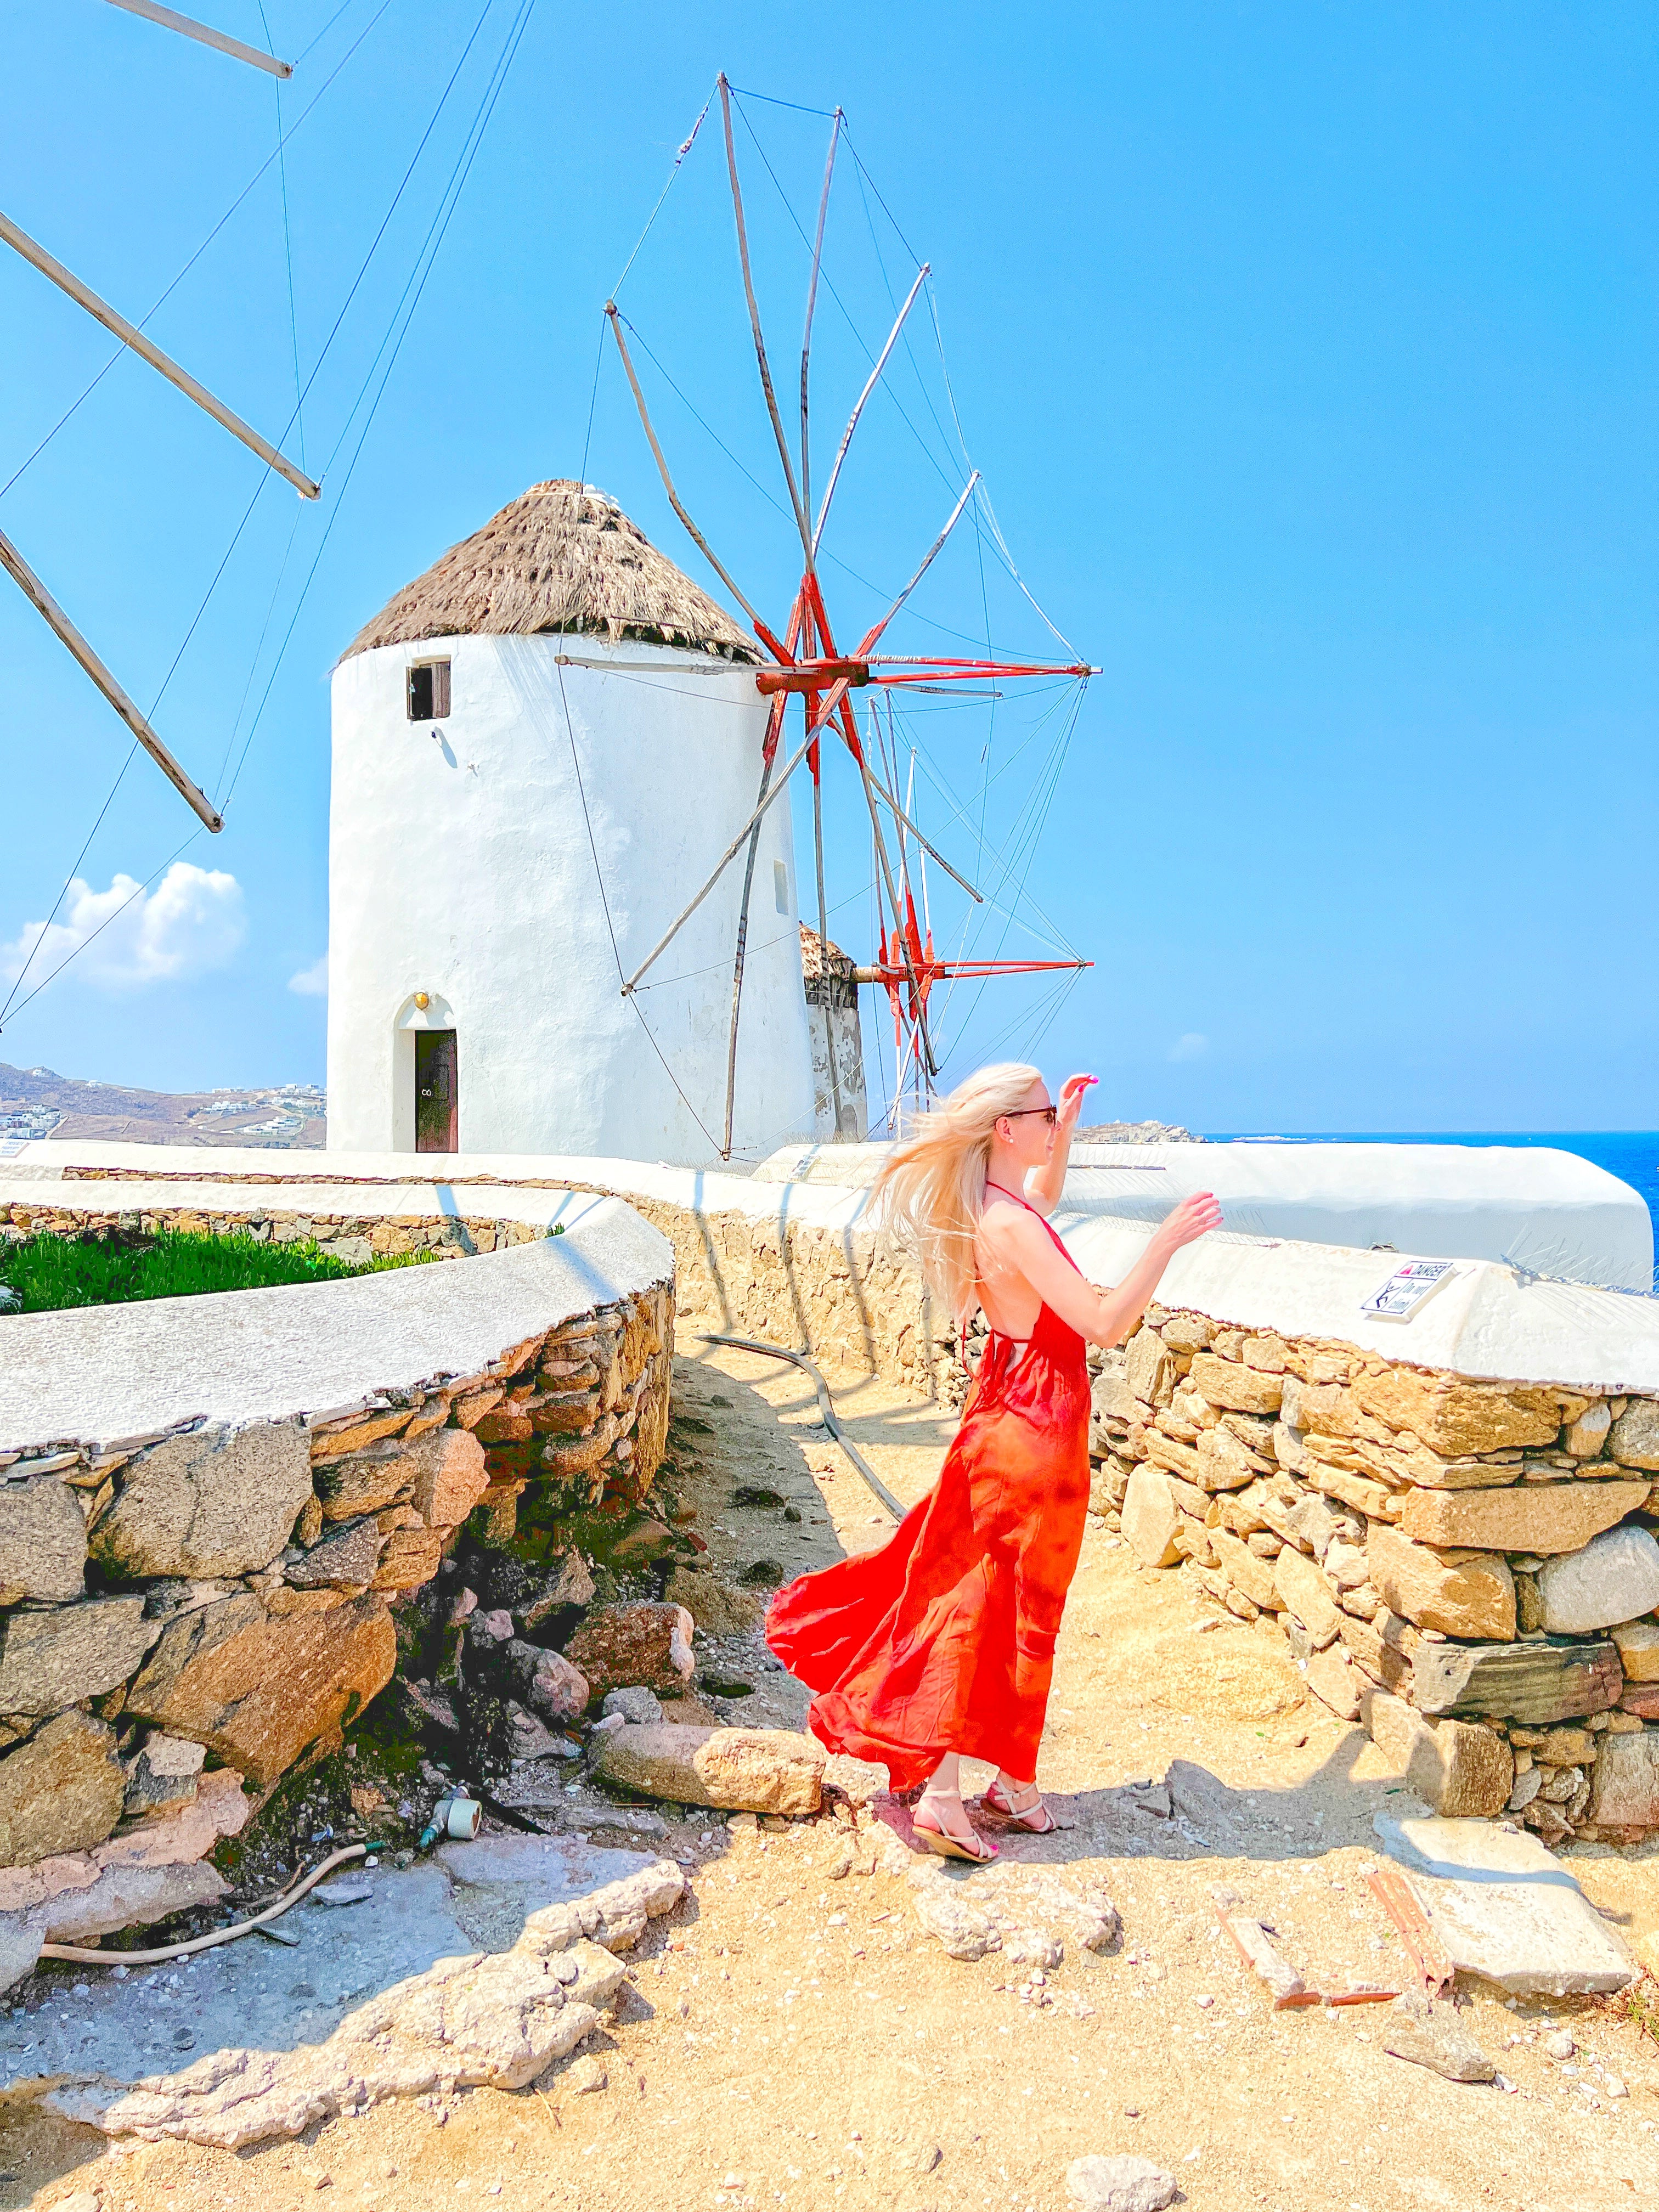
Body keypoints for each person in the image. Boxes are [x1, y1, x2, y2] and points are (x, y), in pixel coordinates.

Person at [765, 1063, 1222, 1861]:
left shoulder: (994, 1208)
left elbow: (1039, 1200)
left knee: (990, 1590)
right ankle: (945, 1795)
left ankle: (1013, 1783)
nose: (1051, 1123)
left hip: (1006, 1409)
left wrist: (1068, 1126)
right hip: (1037, 1426)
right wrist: (1166, 1242)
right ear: (1007, 1130)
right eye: (1042, 1114)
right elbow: (1106, 1324)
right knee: (1000, 1606)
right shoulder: (1010, 1224)